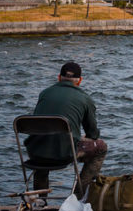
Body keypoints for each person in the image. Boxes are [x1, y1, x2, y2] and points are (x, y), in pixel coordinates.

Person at [26, 61, 107, 200]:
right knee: (101, 148)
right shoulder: (85, 98)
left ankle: (40, 200)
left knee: (44, 143)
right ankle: (78, 198)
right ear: (80, 81)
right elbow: (93, 134)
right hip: (65, 153)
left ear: (59, 77)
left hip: (36, 153)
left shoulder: (44, 93)